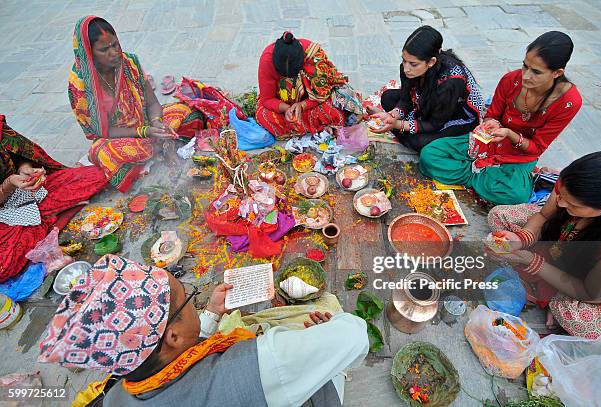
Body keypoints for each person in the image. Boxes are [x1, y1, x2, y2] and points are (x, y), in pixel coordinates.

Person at [39, 254, 369, 406]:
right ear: (172, 336)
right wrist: (331, 325)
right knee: (326, 317)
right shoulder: (255, 363)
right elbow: (354, 336)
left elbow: (183, 352)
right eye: (188, 301)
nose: (194, 303)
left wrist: (209, 314)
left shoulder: (115, 396)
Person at [420, 31, 582, 205]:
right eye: (525, 66)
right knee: (429, 155)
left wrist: (510, 135)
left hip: (518, 154)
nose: (526, 76)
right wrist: (491, 123)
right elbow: (492, 114)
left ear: (557, 73)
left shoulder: (569, 102)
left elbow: (536, 148)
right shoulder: (511, 79)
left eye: (536, 72)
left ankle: (475, 173)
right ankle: (479, 175)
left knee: (516, 196)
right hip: (490, 141)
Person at [68, 16, 205, 193]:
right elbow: (100, 131)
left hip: (146, 124)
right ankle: (158, 148)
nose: (114, 53)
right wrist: (144, 132)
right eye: (104, 50)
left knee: (188, 112)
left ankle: (157, 148)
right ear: (89, 53)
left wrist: (156, 123)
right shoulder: (80, 85)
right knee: (105, 154)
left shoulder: (129, 63)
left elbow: (152, 103)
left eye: (115, 45)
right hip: (117, 138)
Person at [487, 152, 601, 339]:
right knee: (499, 215)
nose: (559, 202)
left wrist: (530, 260)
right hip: (557, 243)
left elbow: (589, 293)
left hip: (590, 285)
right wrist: (521, 238)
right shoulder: (569, 183)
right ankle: (547, 288)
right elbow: (544, 216)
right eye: (560, 195)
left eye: (572, 204)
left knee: (584, 322)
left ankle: (550, 293)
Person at [0, 115, 107, 283]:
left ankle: (42, 225)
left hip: (23, 192)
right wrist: (7, 184)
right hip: (3, 220)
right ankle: (45, 222)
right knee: (3, 267)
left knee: (96, 175)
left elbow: (21, 155)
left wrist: (25, 171)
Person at [369, 25, 484, 152]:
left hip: (453, 114)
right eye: (404, 60)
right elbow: (406, 100)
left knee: (418, 142)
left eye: (413, 64)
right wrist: (392, 115)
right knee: (387, 97)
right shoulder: (408, 67)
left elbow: (435, 124)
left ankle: (401, 129)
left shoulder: (451, 82)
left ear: (431, 62)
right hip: (428, 103)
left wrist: (397, 124)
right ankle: (402, 127)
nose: (406, 68)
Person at [256, 32, 349, 139]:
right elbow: (267, 99)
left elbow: (323, 92)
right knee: (264, 115)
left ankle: (299, 127)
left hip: (312, 100)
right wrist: (287, 109)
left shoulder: (313, 55)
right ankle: (317, 126)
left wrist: (302, 105)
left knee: (335, 109)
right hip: (282, 102)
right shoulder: (267, 60)